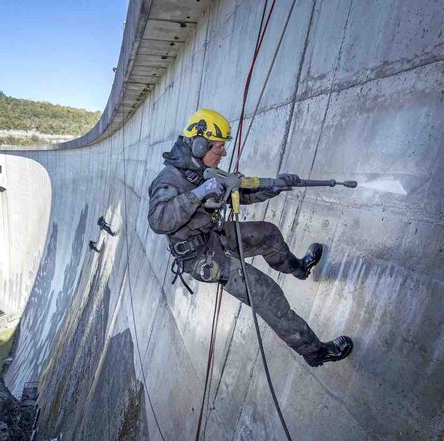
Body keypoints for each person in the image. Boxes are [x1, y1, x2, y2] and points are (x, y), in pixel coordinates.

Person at [147, 109, 353, 367]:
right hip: (202, 257)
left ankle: (299, 268)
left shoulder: (204, 169)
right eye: (219, 147)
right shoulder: (169, 180)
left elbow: (240, 193)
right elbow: (158, 220)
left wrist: (275, 186)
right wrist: (197, 194)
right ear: (199, 145)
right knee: (267, 294)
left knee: (268, 235)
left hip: (214, 236)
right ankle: (315, 351)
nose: (223, 153)